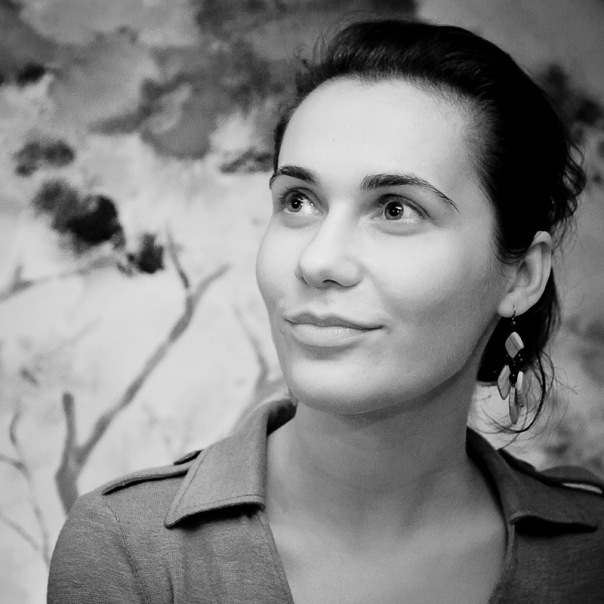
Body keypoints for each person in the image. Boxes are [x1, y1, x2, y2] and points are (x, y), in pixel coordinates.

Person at [48, 19, 604, 604]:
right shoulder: (129, 551)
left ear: (521, 277)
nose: (317, 260)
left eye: (395, 209)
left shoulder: (590, 551)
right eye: (298, 201)